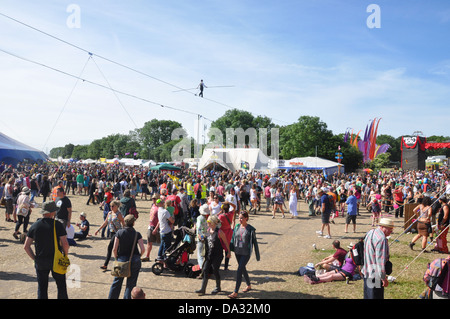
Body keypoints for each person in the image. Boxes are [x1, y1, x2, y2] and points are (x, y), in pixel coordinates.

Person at [23, 201, 69, 299]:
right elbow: (65, 244)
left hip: (41, 260)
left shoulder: (34, 225)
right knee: (61, 287)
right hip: (56, 260)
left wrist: (35, 258)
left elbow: (26, 246)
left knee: (42, 288)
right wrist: (65, 255)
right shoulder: (58, 225)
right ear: (52, 212)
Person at [108, 214, 145, 299]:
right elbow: (143, 249)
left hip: (121, 260)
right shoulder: (137, 234)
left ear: (124, 222)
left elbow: (114, 249)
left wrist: (116, 258)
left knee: (116, 283)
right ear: (133, 223)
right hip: (134, 260)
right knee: (131, 284)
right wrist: (139, 256)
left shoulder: (119, 232)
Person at [195, 215, 231, 296]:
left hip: (217, 255)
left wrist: (228, 252)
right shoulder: (208, 231)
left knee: (215, 270)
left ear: (214, 223)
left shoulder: (219, 232)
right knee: (205, 270)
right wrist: (201, 238)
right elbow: (206, 240)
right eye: (207, 222)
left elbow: (226, 242)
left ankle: (218, 287)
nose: (208, 223)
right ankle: (203, 289)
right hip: (209, 255)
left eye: (209, 222)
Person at [227, 211, 260, 299]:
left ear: (246, 218)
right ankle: (249, 285)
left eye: (241, 218)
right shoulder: (237, 226)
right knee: (242, 268)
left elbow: (255, 243)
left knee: (239, 270)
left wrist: (257, 255)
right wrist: (229, 250)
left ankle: (235, 292)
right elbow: (233, 238)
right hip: (238, 252)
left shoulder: (250, 229)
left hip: (246, 253)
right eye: (239, 218)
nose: (240, 219)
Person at [362, 217, 394, 299]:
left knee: (368, 296)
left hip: (367, 271)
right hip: (375, 275)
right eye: (390, 228)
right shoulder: (382, 239)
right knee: (375, 296)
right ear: (383, 227)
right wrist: (383, 278)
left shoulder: (370, 232)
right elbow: (380, 261)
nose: (391, 231)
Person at [95, 200, 125, 270]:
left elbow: (123, 223)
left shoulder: (119, 214)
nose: (111, 207)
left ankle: (106, 264)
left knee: (110, 247)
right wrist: (98, 229)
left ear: (117, 206)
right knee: (116, 249)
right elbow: (105, 222)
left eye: (112, 206)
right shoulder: (109, 213)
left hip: (117, 233)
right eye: (110, 206)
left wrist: (124, 232)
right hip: (112, 233)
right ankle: (117, 264)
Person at [218, 202, 236, 270]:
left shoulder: (221, 216)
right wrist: (229, 202)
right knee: (227, 249)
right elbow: (235, 207)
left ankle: (219, 264)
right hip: (228, 233)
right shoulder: (231, 214)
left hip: (221, 233)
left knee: (219, 249)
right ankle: (226, 266)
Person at [141, 194, 160, 262]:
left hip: (157, 228)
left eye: (154, 198)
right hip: (151, 226)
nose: (153, 200)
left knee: (160, 243)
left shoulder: (160, 208)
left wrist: (156, 228)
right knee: (149, 241)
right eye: (152, 198)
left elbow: (160, 220)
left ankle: (161, 258)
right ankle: (147, 256)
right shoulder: (152, 205)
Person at [195, 204, 209, 269]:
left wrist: (199, 236)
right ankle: (206, 267)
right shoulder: (208, 218)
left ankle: (201, 268)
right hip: (207, 237)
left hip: (201, 238)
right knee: (205, 253)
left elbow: (198, 228)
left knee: (200, 254)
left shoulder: (199, 218)